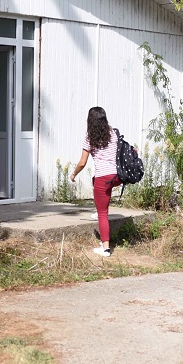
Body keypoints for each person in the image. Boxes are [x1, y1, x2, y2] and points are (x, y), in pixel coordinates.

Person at [70, 106, 119, 258]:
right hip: (116, 176)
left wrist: (73, 174)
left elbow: (82, 163)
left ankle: (105, 249)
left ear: (90, 120)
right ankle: (100, 211)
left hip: (103, 178)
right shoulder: (113, 133)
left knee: (102, 214)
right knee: (97, 187)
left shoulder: (90, 137)